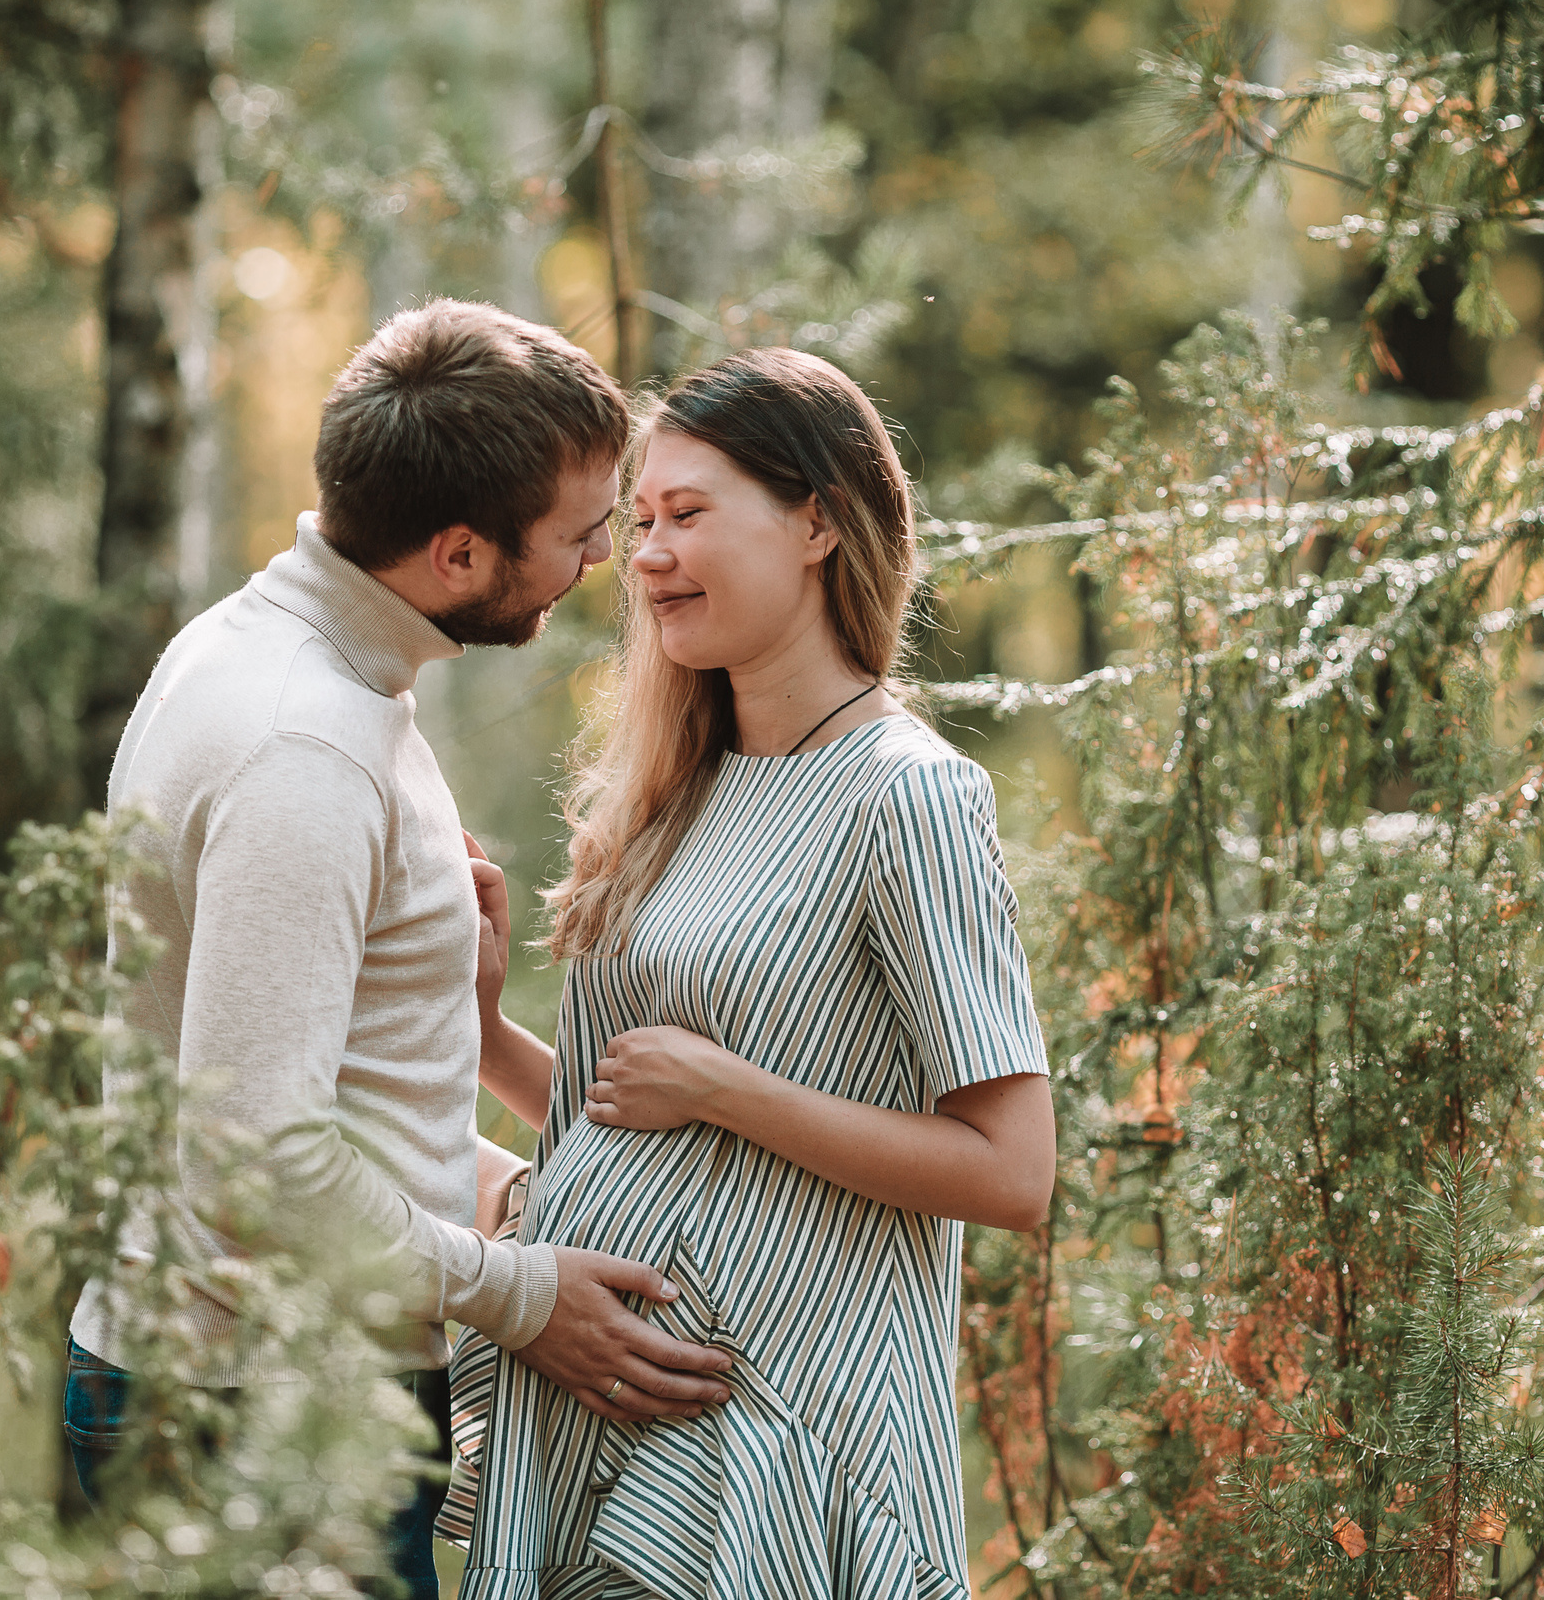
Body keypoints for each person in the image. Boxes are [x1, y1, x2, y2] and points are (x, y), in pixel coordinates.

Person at [64, 300, 733, 1597]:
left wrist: (482, 1095)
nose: (604, 558)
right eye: (582, 531)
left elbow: (310, 1090)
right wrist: (523, 1294)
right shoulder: (302, 744)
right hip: (253, 1424)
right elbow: (257, 1157)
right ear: (460, 551)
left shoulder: (294, 661)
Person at [456, 348, 1057, 1599]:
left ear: (817, 523)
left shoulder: (911, 796)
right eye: (638, 524)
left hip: (775, 1439)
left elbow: (1012, 1172)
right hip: (605, 1409)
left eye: (687, 515)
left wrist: (729, 1092)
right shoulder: (681, 792)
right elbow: (637, 1109)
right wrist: (481, 1031)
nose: (651, 555)